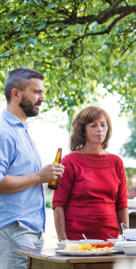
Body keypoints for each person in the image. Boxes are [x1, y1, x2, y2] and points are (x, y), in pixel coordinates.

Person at [0, 68, 64, 269]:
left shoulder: (22, 131)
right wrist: (39, 176)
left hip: (31, 232)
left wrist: (46, 176)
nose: (42, 98)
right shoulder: (4, 131)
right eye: (36, 92)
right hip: (13, 230)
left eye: (43, 92)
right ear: (16, 94)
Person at [53, 106, 129, 240]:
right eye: (93, 125)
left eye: (103, 125)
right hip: (76, 240)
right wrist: (62, 240)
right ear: (83, 131)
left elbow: (122, 204)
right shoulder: (69, 161)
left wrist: (127, 237)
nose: (99, 129)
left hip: (110, 239)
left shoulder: (117, 162)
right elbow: (58, 204)